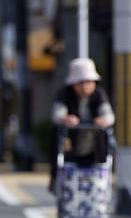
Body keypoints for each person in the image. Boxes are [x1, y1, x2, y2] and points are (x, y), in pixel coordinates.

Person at [49, 57, 115, 192]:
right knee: (65, 170)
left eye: (89, 82)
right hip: (70, 144)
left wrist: (104, 120)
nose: (85, 86)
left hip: (94, 145)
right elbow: (57, 114)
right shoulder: (65, 93)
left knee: (96, 172)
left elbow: (109, 115)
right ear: (73, 83)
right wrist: (65, 119)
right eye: (81, 82)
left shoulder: (99, 94)